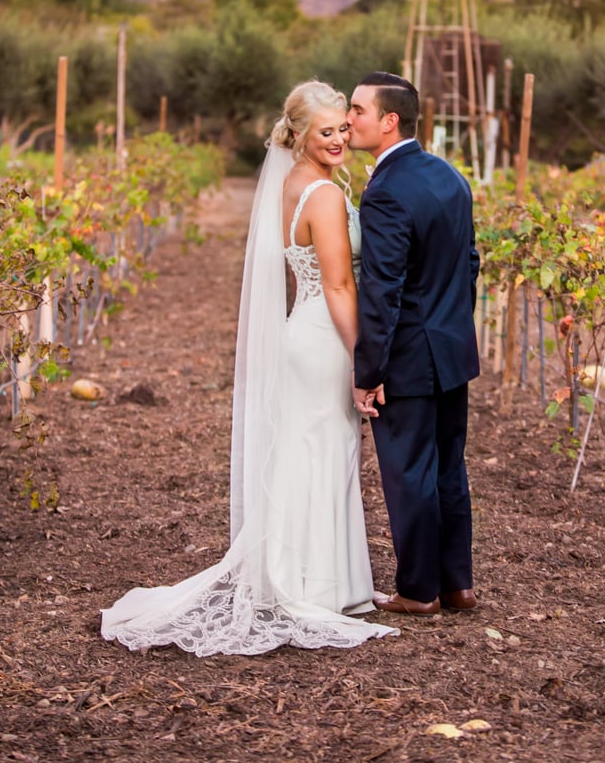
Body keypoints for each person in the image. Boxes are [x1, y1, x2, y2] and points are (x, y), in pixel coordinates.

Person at [101, 81, 396, 655]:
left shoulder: (295, 184)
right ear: (300, 134)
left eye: (342, 128)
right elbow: (338, 285)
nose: (339, 139)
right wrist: (367, 359)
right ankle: (314, 587)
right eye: (326, 131)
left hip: (304, 329)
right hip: (327, 335)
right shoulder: (324, 196)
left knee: (312, 450)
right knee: (324, 452)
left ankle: (320, 580)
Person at [348, 72, 480, 616]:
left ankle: (419, 590)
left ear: (389, 120)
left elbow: (383, 289)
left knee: (409, 473)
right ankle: (457, 585)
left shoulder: (385, 191)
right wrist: (452, 325)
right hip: (451, 348)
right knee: (449, 466)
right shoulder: (449, 176)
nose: (348, 119)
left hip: (408, 355)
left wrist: (369, 370)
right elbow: (469, 263)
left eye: (358, 109)